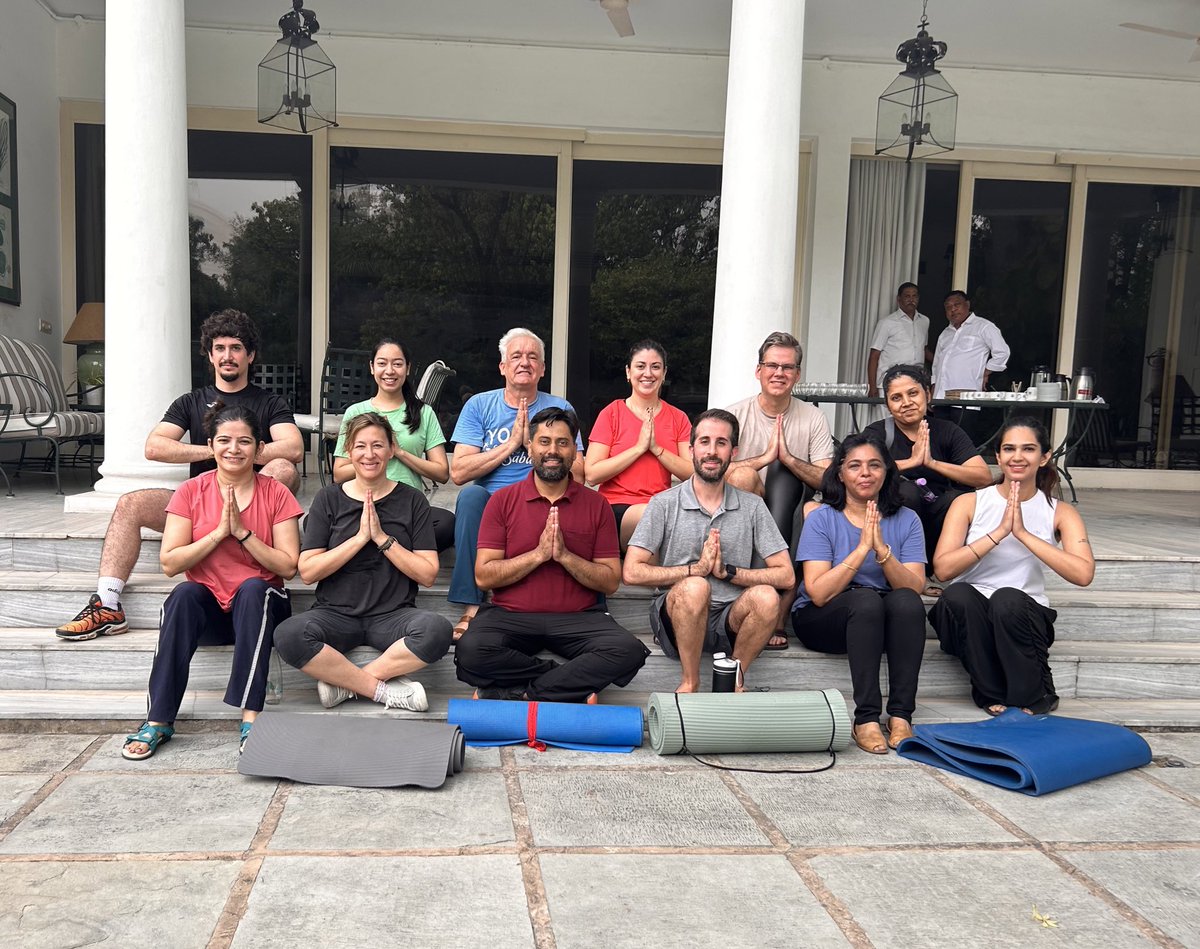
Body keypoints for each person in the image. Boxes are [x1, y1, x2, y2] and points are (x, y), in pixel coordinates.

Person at [55, 310, 303, 642]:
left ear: (250, 355)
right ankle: (108, 604)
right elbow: (154, 447)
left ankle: (247, 555)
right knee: (131, 503)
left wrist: (243, 458)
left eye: (236, 348)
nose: (227, 356)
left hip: (251, 513)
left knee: (284, 469)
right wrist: (213, 453)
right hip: (199, 507)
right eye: (220, 348)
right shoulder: (191, 401)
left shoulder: (268, 401)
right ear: (210, 355)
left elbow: (293, 447)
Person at [121, 403, 303, 760]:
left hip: (263, 609)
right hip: (214, 613)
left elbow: (289, 565)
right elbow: (170, 562)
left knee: (254, 588)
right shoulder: (190, 492)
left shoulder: (276, 493)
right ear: (211, 445)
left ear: (260, 449)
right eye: (224, 440)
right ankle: (158, 719)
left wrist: (244, 534)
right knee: (183, 595)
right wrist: (219, 534)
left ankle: (252, 718)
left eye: (244, 441)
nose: (234, 449)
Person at [454, 407, 648, 702]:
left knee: (628, 650)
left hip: (579, 618)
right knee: (470, 650)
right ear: (529, 446)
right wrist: (538, 555)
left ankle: (519, 691)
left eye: (562, 442)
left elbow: (610, 581)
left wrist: (566, 556)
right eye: (544, 442)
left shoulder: (597, 505)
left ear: (574, 451)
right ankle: (561, 682)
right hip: (511, 615)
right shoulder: (503, 501)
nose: (553, 451)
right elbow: (483, 576)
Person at [273, 413, 453, 712]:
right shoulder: (328, 499)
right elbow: (307, 572)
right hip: (335, 615)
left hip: (393, 616)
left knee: (436, 630)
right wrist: (358, 539)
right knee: (288, 635)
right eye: (360, 446)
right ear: (348, 450)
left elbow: (428, 574)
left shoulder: (412, 500)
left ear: (392, 448)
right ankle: (382, 691)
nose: (369, 455)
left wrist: (382, 539)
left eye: (378, 445)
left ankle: (345, 685)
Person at [929, 417, 1095, 716]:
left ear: (1044, 457)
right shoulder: (969, 503)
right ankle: (989, 692)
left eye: (1028, 449)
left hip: (1021, 615)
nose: (1017, 457)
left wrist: (1023, 534)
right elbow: (942, 570)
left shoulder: (1060, 512)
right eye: (1009, 449)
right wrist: (998, 533)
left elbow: (1083, 574)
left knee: (1007, 599)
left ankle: (1034, 693)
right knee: (958, 594)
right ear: (999, 456)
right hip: (969, 618)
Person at [623, 409, 795, 693]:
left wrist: (729, 573)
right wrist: (696, 570)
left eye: (721, 443)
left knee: (766, 597)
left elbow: (786, 576)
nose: (712, 451)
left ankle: (734, 680)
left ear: (733, 451)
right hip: (677, 613)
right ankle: (690, 682)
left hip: (731, 618)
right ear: (691, 449)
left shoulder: (752, 506)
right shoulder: (663, 503)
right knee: (695, 587)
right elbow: (631, 571)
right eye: (704, 442)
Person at [790, 432, 927, 754]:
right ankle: (865, 717)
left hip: (876, 619)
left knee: (906, 601)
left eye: (874, 465)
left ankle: (901, 716)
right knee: (865, 601)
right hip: (821, 619)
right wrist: (861, 548)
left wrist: (881, 551)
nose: (865, 473)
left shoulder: (907, 519)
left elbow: (915, 587)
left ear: (887, 472)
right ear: (840, 473)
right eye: (855, 465)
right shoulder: (821, 518)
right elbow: (819, 592)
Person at [447, 328, 582, 641]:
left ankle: (584, 606)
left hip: (542, 498)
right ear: (502, 367)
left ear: (543, 369)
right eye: (516, 356)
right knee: (469, 497)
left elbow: (582, 470)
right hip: (493, 503)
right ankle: (471, 606)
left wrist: (535, 448)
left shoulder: (560, 408)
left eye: (533, 356)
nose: (525, 362)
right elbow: (460, 471)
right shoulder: (479, 406)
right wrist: (512, 445)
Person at [724, 331, 834, 647]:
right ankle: (762, 601)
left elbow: (828, 480)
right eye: (772, 366)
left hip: (794, 507)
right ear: (758, 371)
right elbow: (712, 470)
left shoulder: (812, 417)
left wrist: (788, 459)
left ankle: (778, 610)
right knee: (744, 477)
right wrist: (765, 458)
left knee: (804, 499)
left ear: (797, 374)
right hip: (747, 506)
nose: (779, 373)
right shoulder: (735, 414)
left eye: (787, 367)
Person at [865, 364, 993, 584]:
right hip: (892, 521)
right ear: (887, 405)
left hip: (937, 520)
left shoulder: (947, 430)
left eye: (913, 393)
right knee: (907, 492)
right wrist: (910, 462)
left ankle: (936, 568)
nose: (906, 403)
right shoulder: (877, 434)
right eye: (896, 397)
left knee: (958, 500)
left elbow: (983, 476)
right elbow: (859, 473)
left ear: (928, 393)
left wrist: (932, 463)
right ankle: (908, 573)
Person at [332, 338, 455, 551]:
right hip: (363, 502)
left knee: (447, 524)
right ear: (372, 368)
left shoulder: (423, 413)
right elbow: (339, 473)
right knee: (317, 523)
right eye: (382, 363)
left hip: (408, 506)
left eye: (397, 364)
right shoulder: (355, 412)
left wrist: (398, 452)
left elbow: (442, 473)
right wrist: (377, 456)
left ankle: (377, 543)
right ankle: (390, 545)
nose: (389, 371)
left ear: (407, 369)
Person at [584, 339, 693, 546]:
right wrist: (638, 448)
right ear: (628, 372)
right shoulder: (611, 413)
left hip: (662, 506)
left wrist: (656, 449)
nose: (648, 373)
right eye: (640, 366)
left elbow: (691, 473)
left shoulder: (678, 418)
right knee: (653, 516)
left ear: (664, 373)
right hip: (616, 509)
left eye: (655, 367)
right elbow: (592, 474)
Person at [930, 290, 1010, 398]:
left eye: (957, 305)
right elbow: (936, 364)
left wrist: (986, 372)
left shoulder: (983, 326)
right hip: (940, 396)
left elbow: (1002, 352)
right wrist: (934, 387)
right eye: (948, 307)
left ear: (967, 305)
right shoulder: (945, 333)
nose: (952, 309)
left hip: (966, 396)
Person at [866, 282, 931, 397]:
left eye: (914, 296)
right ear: (899, 299)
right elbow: (874, 355)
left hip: (915, 382)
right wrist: (872, 386)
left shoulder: (924, 321)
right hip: (890, 382)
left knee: (910, 414)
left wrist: (942, 361)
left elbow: (923, 349)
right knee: (889, 415)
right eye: (907, 296)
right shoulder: (887, 323)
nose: (911, 299)